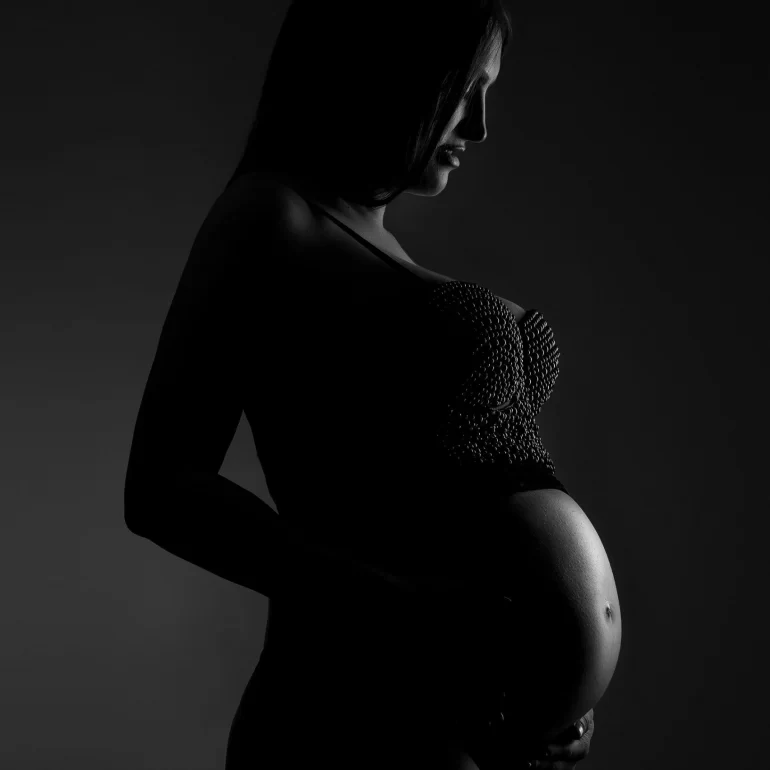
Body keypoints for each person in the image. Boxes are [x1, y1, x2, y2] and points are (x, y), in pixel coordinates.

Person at [124, 2, 617, 768]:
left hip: (462, 729)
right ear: (387, 71)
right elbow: (161, 487)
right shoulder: (268, 217)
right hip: (348, 712)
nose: (480, 126)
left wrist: (557, 693)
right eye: (464, 88)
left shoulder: (368, 245)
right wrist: (407, 611)